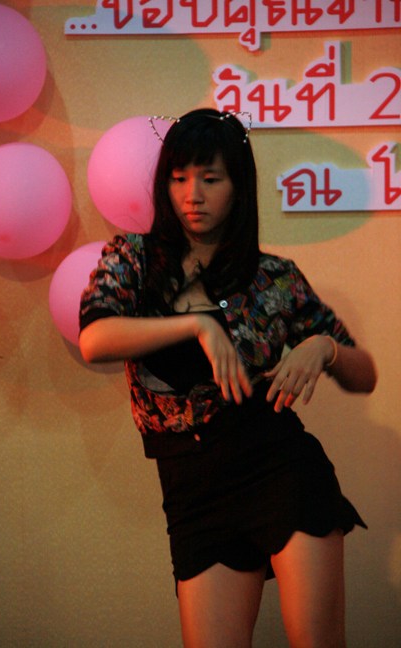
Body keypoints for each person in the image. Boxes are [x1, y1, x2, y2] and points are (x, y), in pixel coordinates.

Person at [79, 108, 377, 648]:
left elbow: (365, 375)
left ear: (238, 187)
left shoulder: (273, 277)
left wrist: (324, 347)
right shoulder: (134, 259)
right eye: (178, 178)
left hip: (279, 467)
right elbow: (95, 340)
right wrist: (197, 325)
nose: (192, 195)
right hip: (192, 488)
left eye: (210, 179)